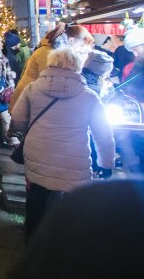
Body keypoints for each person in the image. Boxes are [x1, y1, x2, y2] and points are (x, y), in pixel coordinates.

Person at [0, 179, 144, 279]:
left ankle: (33, 235)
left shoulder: (99, 201)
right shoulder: (114, 203)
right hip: (67, 170)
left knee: (41, 199)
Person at [8, 48, 114, 237]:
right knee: (70, 202)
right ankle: (62, 243)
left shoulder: (33, 89)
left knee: (37, 196)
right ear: (77, 66)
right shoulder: (89, 96)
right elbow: (103, 133)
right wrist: (106, 163)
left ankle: (32, 241)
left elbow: (17, 119)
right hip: (73, 156)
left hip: (37, 151)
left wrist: (22, 133)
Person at [10, 24, 93, 111]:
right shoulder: (49, 53)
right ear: (71, 40)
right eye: (81, 46)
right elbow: (50, 83)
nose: (80, 49)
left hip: (30, 100)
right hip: (25, 104)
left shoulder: (54, 51)